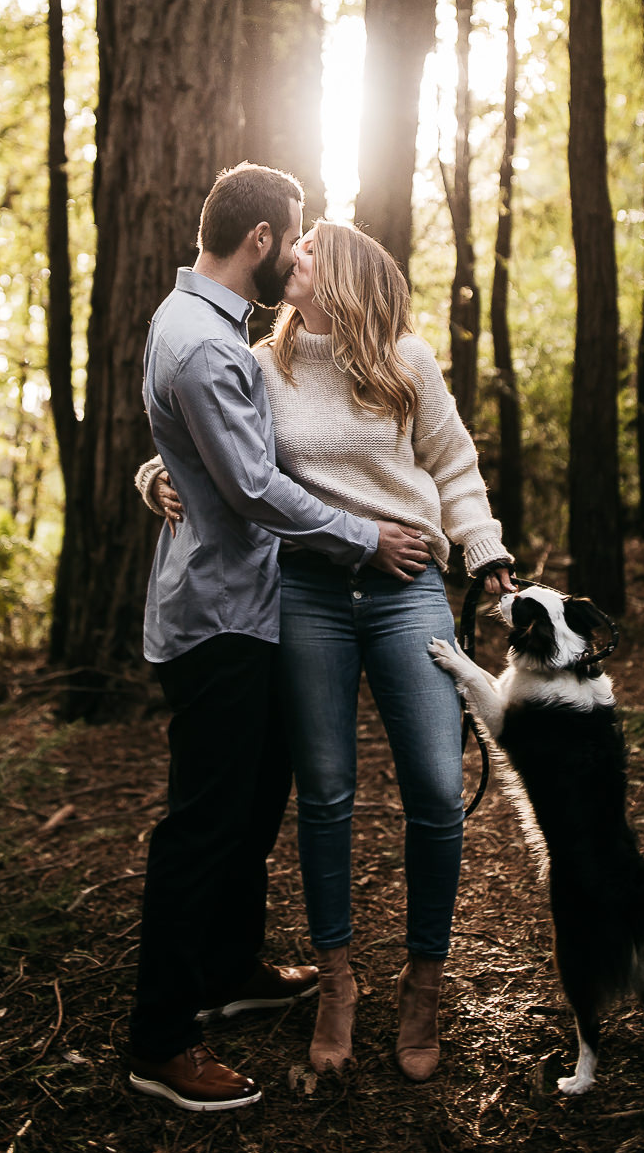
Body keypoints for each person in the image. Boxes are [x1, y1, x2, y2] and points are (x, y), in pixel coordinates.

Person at [141, 219, 514, 1083]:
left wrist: (484, 549)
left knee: (432, 784)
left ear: (341, 273)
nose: (290, 258)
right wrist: (154, 476)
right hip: (306, 591)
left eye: (308, 250)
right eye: (292, 244)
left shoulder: (404, 360)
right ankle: (338, 982)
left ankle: (424, 980)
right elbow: (208, 442)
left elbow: (454, 466)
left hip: (407, 585)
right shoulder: (262, 362)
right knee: (327, 794)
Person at [126, 166, 433, 1114]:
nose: (299, 255)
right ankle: (162, 1039)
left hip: (250, 607)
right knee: (205, 824)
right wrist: (365, 537)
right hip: (219, 616)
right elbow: (257, 486)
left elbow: (207, 450)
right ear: (259, 240)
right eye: (293, 239)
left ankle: (228, 970)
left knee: (255, 805)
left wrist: (156, 472)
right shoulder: (209, 348)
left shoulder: (210, 331)